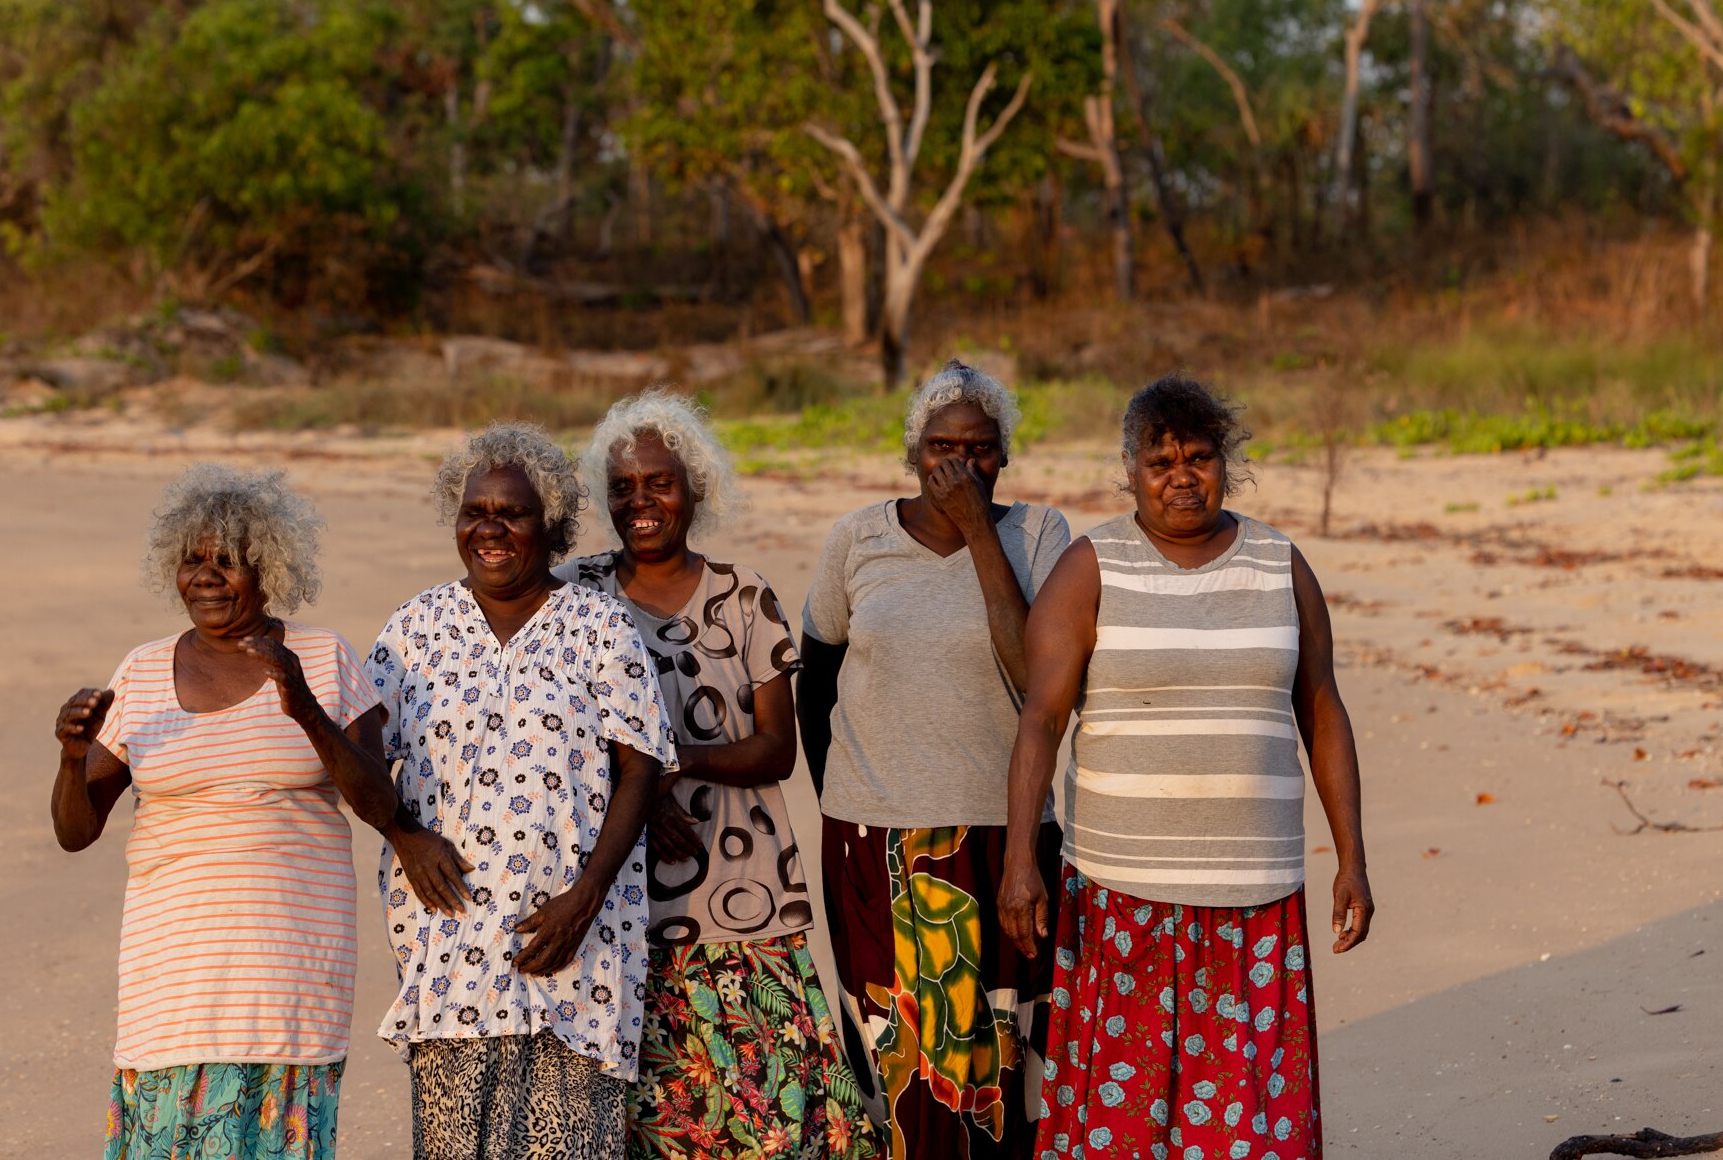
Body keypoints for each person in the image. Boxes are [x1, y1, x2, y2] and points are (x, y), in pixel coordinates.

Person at [1000, 375, 1376, 1160]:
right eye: (1160, 460)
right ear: (1131, 469)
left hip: (1255, 897)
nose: (1181, 476)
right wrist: (1017, 863)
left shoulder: (1280, 565)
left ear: (1225, 464)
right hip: (1121, 894)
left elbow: (1322, 711)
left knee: (1252, 1125)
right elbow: (1040, 720)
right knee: (1122, 1126)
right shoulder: (1090, 568)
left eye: (1199, 458)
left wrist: (1353, 861)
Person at [559, 390, 879, 1160]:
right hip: (621, 893)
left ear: (695, 487)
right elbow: (556, 739)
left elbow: (776, 749)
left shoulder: (743, 595)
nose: (641, 501)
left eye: (659, 483)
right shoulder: (574, 594)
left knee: (774, 1118)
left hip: (748, 897)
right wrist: (630, 790)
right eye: (623, 486)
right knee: (664, 1121)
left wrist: (665, 766)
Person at [51, 463, 397, 1160]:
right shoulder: (142, 672)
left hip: (289, 975)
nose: (206, 577)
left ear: (268, 566)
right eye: (192, 561)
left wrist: (305, 711)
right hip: (172, 975)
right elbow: (75, 832)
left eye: (229, 561)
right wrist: (70, 755)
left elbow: (381, 803)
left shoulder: (323, 657)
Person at [357, 422, 680, 1160]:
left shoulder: (598, 624)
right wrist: (403, 835)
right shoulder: (415, 627)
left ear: (552, 526)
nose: (490, 528)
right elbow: (363, 757)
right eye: (475, 512)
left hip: (576, 944)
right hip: (448, 943)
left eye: (513, 513)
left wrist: (590, 893)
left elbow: (641, 766)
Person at [800, 360, 1073, 1160]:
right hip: (873, 840)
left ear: (1005, 456)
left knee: (1003, 1046)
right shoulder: (856, 539)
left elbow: (1037, 680)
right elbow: (816, 689)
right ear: (913, 452)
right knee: (894, 1051)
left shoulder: (1040, 536)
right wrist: (853, 802)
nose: (960, 465)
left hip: (1006, 838)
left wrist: (980, 530)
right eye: (941, 447)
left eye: (981, 448)